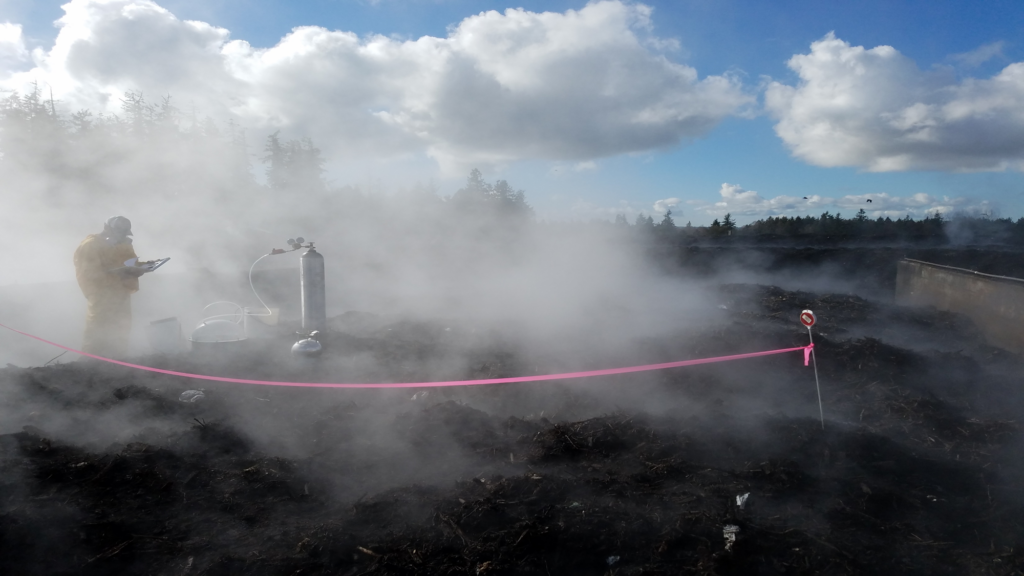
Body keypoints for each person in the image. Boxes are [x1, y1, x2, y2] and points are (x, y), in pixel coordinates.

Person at [73, 216, 146, 358]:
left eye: (123, 233)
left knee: (121, 327)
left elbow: (131, 261)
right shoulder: (90, 245)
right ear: (106, 228)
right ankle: (90, 362)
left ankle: (118, 360)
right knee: (97, 329)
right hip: (101, 295)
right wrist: (118, 273)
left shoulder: (122, 243)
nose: (121, 236)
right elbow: (88, 273)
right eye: (118, 232)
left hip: (120, 292)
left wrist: (138, 269)